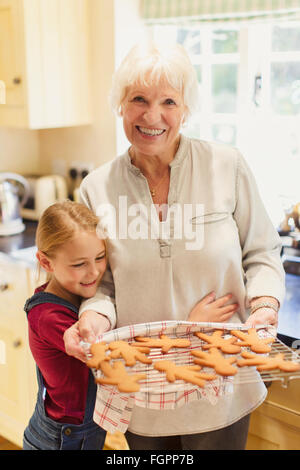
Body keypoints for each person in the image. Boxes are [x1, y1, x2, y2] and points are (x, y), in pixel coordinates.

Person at [63, 41, 285, 450]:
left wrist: (265, 306)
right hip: (144, 390)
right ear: (120, 106)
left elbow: (263, 252)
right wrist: (93, 319)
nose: (152, 116)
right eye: (138, 100)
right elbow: (102, 285)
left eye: (168, 101)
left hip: (221, 381)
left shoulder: (227, 165)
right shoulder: (97, 189)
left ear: (185, 108)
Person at [23, 201, 108, 450]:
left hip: (79, 433)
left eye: (100, 257)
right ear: (46, 263)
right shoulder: (49, 316)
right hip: (59, 440)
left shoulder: (75, 293)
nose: (94, 272)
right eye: (79, 264)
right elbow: (109, 352)